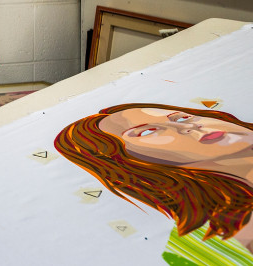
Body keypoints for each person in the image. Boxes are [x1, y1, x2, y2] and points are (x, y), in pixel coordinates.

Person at [55, 103, 253, 264]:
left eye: (182, 117)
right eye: (147, 132)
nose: (186, 127)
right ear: (127, 160)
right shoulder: (218, 237)